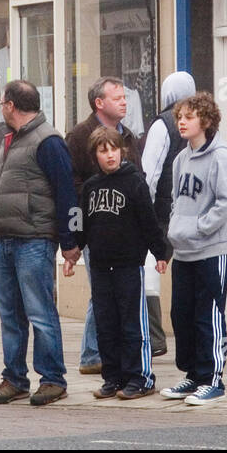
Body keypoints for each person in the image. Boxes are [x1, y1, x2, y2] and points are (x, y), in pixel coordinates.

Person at [0, 79, 81, 406]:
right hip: (7, 240)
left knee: (40, 312)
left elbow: (68, 193)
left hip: (35, 241)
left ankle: (53, 379)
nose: (1, 107)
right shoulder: (12, 139)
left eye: (2, 102)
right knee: (10, 314)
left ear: (11, 105)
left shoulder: (48, 141)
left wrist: (70, 242)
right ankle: (14, 378)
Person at [68, 126, 170, 400]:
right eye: (103, 151)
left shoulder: (134, 182)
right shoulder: (89, 188)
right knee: (106, 324)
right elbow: (79, 222)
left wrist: (160, 253)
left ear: (121, 151)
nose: (110, 155)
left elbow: (148, 221)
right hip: (100, 267)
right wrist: (73, 250)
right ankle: (112, 378)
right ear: (95, 156)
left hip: (128, 266)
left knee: (131, 323)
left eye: (114, 149)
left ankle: (141, 377)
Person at [161, 92, 227, 406]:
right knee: (182, 314)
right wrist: (176, 227)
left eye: (189, 117)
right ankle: (192, 374)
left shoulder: (220, 155)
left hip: (211, 249)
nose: (181, 121)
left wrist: (200, 227)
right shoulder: (180, 159)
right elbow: (177, 202)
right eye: (180, 116)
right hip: (184, 251)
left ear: (204, 121)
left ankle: (212, 379)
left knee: (208, 314)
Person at [65, 76, 135, 375]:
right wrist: (75, 237)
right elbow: (70, 187)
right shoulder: (80, 137)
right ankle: (92, 354)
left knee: (115, 294)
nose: (124, 102)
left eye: (124, 97)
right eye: (117, 97)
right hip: (96, 228)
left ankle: (103, 352)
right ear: (99, 103)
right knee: (102, 292)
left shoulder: (127, 135)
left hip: (124, 229)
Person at [140, 70, 196, 356]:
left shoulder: (163, 125)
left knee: (150, 268)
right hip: (192, 210)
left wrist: (141, 210)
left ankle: (155, 336)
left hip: (162, 211)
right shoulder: (200, 126)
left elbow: (150, 172)